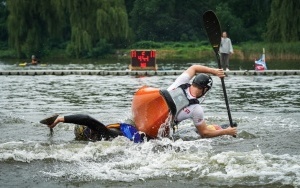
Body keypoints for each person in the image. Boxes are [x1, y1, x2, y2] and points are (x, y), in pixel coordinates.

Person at [132, 65, 237, 139]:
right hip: (157, 132)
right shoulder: (197, 109)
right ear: (205, 90)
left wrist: (213, 71)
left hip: (144, 117)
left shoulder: (182, 81)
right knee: (201, 131)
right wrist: (226, 132)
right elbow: (204, 133)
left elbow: (194, 68)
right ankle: (220, 128)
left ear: (194, 82)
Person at [40, 114, 145, 143]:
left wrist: (60, 119)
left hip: (138, 136)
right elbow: (86, 120)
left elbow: (86, 119)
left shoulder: (104, 134)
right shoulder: (104, 135)